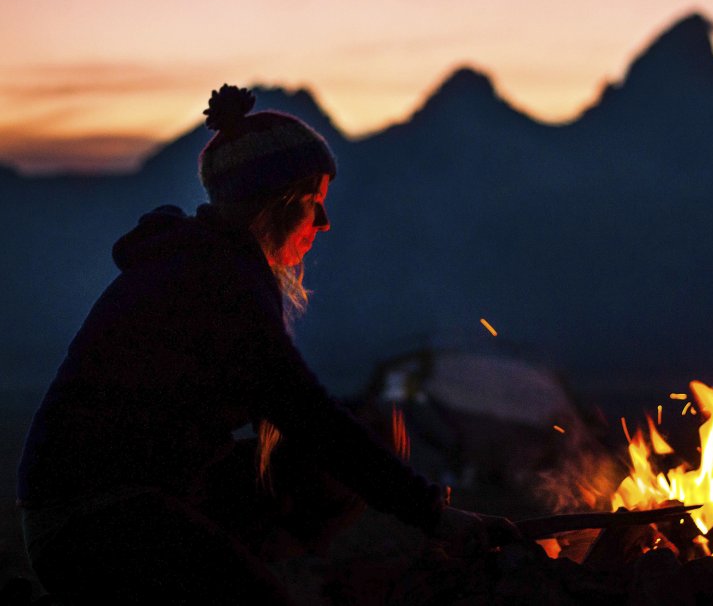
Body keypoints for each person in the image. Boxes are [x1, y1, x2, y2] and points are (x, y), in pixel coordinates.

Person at [17, 85, 517, 604]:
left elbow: (298, 419)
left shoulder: (204, 261)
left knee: (341, 453)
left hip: (123, 498)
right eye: (313, 202)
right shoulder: (216, 280)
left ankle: (226, 559)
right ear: (277, 203)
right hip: (91, 521)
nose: (323, 222)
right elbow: (305, 412)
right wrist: (434, 515)